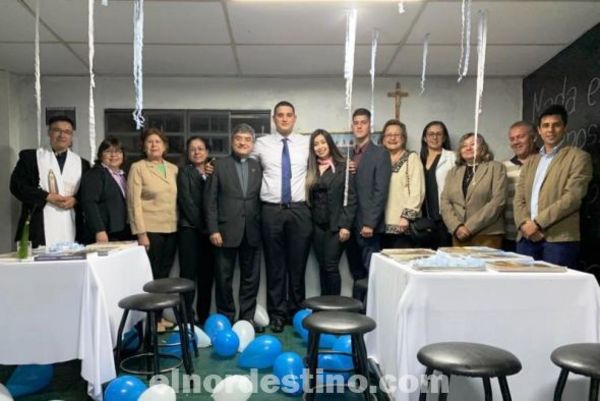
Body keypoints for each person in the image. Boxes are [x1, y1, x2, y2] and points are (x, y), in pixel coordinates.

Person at [251, 101, 312, 333]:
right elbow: (244, 160)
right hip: (271, 210)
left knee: (297, 266)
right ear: (274, 119)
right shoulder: (261, 144)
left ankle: (297, 314)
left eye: (288, 115)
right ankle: (277, 314)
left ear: (295, 118)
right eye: (280, 115)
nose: (284, 119)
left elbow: (326, 161)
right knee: (275, 267)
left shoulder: (306, 142)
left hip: (299, 210)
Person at [514, 104, 593, 269]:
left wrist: (537, 223)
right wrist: (524, 224)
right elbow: (519, 198)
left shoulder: (578, 157)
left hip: (558, 240)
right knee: (523, 290)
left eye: (556, 125)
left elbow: (572, 198)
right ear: (539, 131)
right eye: (546, 125)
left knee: (556, 292)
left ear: (564, 128)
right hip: (526, 238)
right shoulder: (531, 161)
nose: (551, 130)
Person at [205, 124, 263, 330]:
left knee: (251, 279)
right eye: (239, 138)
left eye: (247, 139)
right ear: (232, 141)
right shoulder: (219, 165)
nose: (243, 142)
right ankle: (226, 319)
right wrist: (213, 229)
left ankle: (246, 318)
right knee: (223, 278)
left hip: (253, 231)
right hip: (225, 231)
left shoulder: (258, 166)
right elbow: (210, 200)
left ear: (253, 144)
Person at [10, 115, 90, 248]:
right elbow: (17, 186)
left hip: (72, 225)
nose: (62, 135)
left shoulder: (83, 164)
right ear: (49, 132)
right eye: (57, 130)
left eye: (67, 132)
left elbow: (87, 193)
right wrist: (47, 196)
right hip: (38, 226)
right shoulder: (30, 158)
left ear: (72, 136)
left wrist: (75, 200)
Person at [128, 127, 178, 331]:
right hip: (150, 230)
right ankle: (150, 320)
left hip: (172, 228)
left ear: (165, 146)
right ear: (144, 146)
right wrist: (141, 233)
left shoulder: (173, 168)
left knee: (164, 276)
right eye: (150, 142)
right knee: (152, 276)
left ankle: (158, 318)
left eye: (158, 141)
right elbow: (133, 203)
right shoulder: (138, 168)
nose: (154, 145)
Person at [346, 108, 391, 298]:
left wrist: (370, 223)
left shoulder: (380, 153)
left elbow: (381, 191)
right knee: (356, 272)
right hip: (350, 223)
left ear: (370, 126)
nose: (359, 125)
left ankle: (370, 315)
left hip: (367, 225)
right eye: (356, 122)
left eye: (363, 122)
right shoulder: (350, 154)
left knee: (371, 272)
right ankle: (358, 313)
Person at [305, 129, 357, 296]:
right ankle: (323, 307)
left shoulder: (344, 166)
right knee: (322, 266)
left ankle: (335, 308)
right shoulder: (310, 168)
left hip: (336, 226)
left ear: (330, 143)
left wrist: (346, 226)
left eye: (323, 142)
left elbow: (351, 198)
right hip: (316, 226)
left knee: (330, 266)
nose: (320, 147)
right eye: (316, 144)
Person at [440, 133, 507, 249]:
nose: (468, 148)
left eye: (473, 144)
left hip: (487, 235)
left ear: (483, 147)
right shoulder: (453, 172)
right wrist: (456, 227)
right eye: (464, 145)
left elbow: (498, 201)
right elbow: (445, 202)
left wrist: (469, 227)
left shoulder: (496, 168)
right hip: (458, 235)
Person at [177, 136, 214, 325]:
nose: (197, 152)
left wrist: (210, 229)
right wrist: (206, 226)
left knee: (206, 276)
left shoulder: (212, 172)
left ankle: (204, 316)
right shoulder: (184, 172)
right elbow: (186, 202)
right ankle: (186, 317)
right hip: (190, 231)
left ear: (207, 152)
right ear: (188, 153)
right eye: (193, 149)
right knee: (188, 276)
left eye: (201, 148)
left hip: (209, 234)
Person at [380, 119, 425, 249]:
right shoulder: (380, 159)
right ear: (383, 139)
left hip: (403, 225)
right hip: (381, 227)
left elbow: (418, 190)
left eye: (397, 135)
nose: (392, 138)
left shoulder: (412, 158)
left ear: (403, 138)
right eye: (389, 135)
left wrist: (406, 217)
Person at [79, 136, 132, 242]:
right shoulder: (95, 174)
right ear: (100, 154)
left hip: (122, 231)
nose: (113, 155)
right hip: (105, 233)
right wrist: (99, 230)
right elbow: (89, 204)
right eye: (108, 151)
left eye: (118, 151)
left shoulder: (123, 175)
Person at [419, 121, 456, 249]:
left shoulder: (452, 158)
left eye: (439, 134)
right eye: (431, 134)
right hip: (423, 220)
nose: (434, 137)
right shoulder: (419, 159)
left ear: (444, 137)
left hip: (444, 218)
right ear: (425, 138)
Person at [502, 121, 538, 251]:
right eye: (512, 139)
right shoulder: (503, 167)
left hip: (539, 234)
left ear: (533, 137)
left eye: (521, 137)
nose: (516, 142)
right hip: (509, 235)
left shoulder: (546, 163)